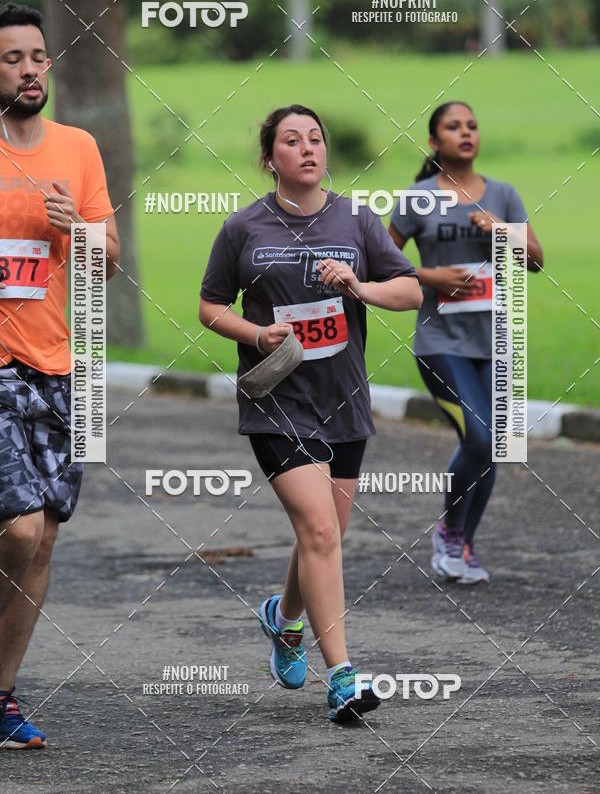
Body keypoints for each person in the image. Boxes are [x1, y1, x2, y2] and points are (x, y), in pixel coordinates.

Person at [199, 104, 421, 721]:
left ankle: (284, 617)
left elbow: (409, 289)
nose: (307, 149)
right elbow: (210, 305)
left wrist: (360, 286)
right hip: (277, 401)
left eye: (316, 139)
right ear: (270, 158)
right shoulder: (244, 228)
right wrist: (256, 333)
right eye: (291, 141)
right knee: (321, 532)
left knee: (325, 534)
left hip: (343, 398)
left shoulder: (357, 219)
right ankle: (343, 678)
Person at [0, 2, 120, 748]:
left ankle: (3, 696)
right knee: (15, 529)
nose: (29, 70)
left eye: (37, 56)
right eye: (13, 58)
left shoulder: (78, 147)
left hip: (58, 367)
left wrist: (76, 224)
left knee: (41, 540)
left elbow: (107, 261)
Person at [389, 101, 543, 584]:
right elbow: (378, 261)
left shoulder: (503, 194)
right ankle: (449, 531)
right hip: (441, 342)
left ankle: (463, 546)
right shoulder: (417, 199)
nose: (466, 132)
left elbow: (536, 261)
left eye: (472, 125)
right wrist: (432, 275)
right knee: (479, 437)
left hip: (497, 340)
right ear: (435, 142)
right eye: (453, 127)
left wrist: (501, 229)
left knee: (496, 444)